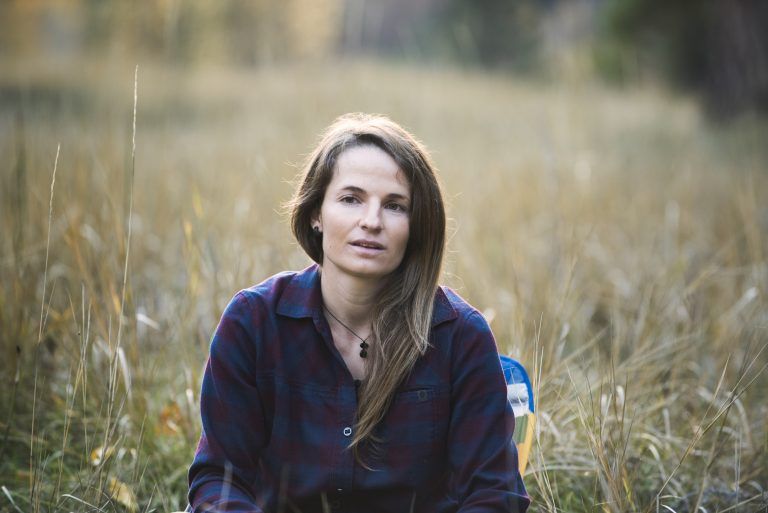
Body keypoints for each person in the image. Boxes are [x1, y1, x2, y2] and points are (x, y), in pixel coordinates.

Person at [187, 113, 530, 513]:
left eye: (395, 206)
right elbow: (218, 480)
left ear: (415, 225)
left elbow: (495, 495)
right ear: (316, 213)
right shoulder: (253, 323)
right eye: (351, 199)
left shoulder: (460, 337)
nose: (372, 222)